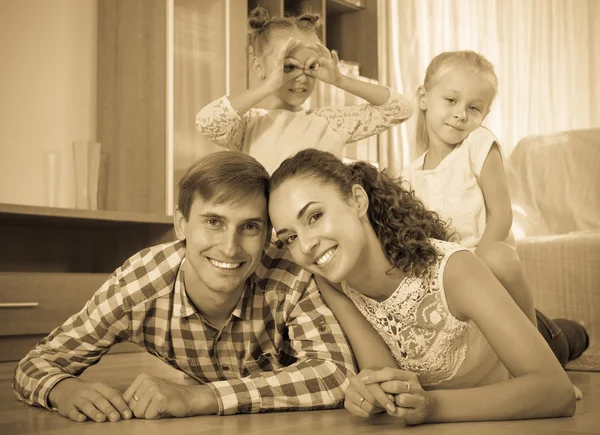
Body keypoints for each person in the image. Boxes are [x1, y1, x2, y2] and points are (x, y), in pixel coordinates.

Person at [12, 151, 356, 423]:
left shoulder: (289, 273)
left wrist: (199, 397)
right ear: (181, 224)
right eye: (213, 222)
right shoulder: (140, 285)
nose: (230, 248)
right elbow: (35, 363)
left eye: (249, 227)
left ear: (267, 235)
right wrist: (62, 389)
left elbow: (336, 373)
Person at [267, 148, 585, 425]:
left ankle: (573, 333)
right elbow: (384, 373)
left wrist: (432, 406)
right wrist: (372, 392)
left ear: (357, 200)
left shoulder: (455, 270)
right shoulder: (333, 283)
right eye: (290, 237)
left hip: (523, 342)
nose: (305, 246)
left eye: (315, 216)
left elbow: (556, 392)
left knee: (566, 340)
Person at [402, 50, 588, 363]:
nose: (461, 114)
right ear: (424, 98)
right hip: (452, 281)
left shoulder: (478, 145)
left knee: (503, 260)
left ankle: (548, 351)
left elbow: (502, 214)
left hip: (491, 274)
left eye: (473, 108)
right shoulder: (410, 173)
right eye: (451, 100)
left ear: (484, 115)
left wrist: (480, 260)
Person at [195, 7, 412, 174]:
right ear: (259, 67)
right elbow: (207, 122)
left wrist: (341, 80)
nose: (301, 77)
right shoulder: (248, 125)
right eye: (288, 66)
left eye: (311, 66)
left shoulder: (331, 123)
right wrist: (268, 85)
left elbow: (400, 109)